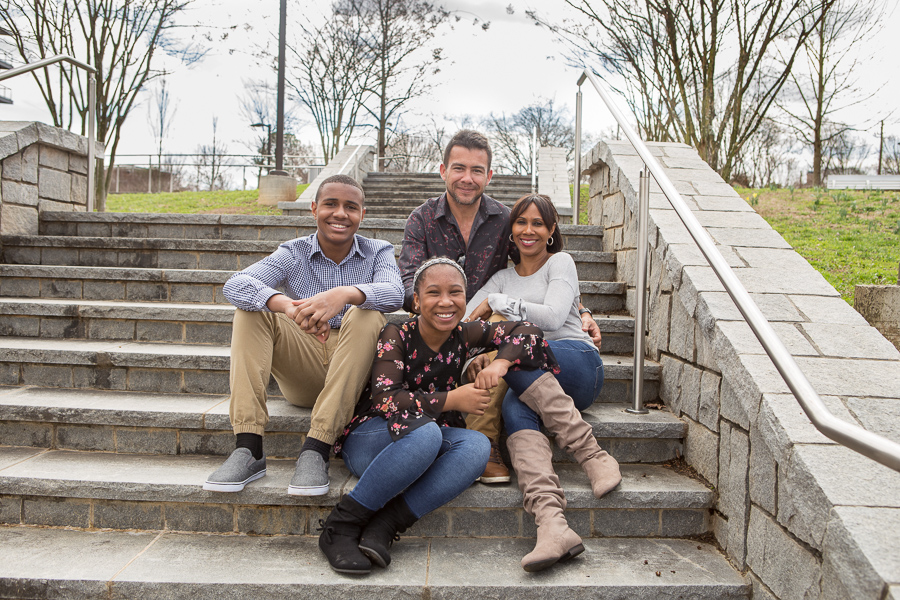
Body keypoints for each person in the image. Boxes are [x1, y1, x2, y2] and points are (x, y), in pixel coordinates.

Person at [316, 258, 562, 574]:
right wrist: (452, 399)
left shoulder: (466, 334)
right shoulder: (396, 334)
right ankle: (341, 526)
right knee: (427, 433)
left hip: (423, 441)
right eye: (434, 293)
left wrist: (500, 363)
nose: (445, 302)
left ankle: (385, 526)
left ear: (465, 298)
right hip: (373, 440)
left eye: (455, 292)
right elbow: (387, 399)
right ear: (416, 301)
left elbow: (528, 331)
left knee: (476, 447)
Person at [398, 129, 603, 484]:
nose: (467, 178)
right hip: (447, 321)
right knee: (510, 390)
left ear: (489, 176)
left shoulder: (504, 220)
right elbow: (407, 286)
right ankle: (550, 492)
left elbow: (538, 270)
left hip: (500, 327)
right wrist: (444, 318)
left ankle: (486, 442)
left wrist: (580, 309)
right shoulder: (422, 219)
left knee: (497, 324)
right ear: (443, 169)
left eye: (477, 170)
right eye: (459, 168)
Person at [202, 174, 404, 496]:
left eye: (351, 207)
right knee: (251, 310)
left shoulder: (378, 251)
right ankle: (249, 446)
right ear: (314, 209)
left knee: (367, 314)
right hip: (305, 361)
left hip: (354, 367)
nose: (340, 213)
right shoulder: (293, 252)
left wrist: (343, 295)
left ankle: (317, 448)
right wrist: (288, 307)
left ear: (362, 215)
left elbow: (395, 292)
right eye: (331, 204)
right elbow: (236, 283)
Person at [465, 194, 622, 573]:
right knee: (514, 406)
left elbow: (551, 319)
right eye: (521, 222)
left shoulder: (561, 263)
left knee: (516, 356)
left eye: (538, 223)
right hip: (529, 376)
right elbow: (467, 323)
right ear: (512, 230)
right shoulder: (502, 276)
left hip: (576, 361)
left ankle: (592, 455)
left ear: (551, 231)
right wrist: (478, 355)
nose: (529, 230)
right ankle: (552, 525)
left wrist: (500, 308)